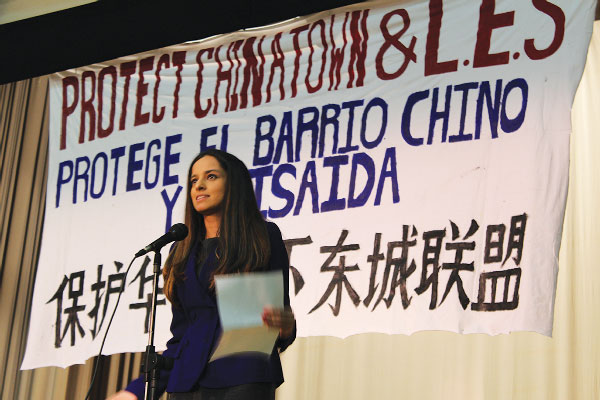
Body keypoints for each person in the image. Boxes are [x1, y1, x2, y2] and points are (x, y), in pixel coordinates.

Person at [108, 149, 296, 400]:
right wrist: (135, 391)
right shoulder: (181, 249)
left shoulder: (261, 236)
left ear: (233, 183)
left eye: (211, 177)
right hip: (186, 382)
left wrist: (284, 326)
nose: (199, 186)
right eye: (193, 181)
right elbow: (182, 336)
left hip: (242, 378)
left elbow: (278, 315)